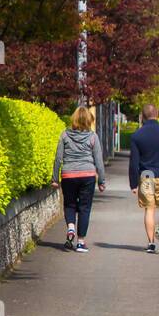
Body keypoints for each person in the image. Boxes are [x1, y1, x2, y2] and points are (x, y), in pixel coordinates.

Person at [51, 106, 106, 252]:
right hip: (87, 175)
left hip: (68, 175)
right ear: (89, 120)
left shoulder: (64, 135)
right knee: (84, 208)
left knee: (69, 204)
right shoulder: (93, 137)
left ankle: (70, 227)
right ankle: (80, 242)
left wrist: (54, 178)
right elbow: (99, 161)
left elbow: (58, 158)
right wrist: (101, 181)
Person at [128, 104, 159, 253]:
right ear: (157, 114)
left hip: (146, 176)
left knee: (149, 210)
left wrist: (133, 184)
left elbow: (134, 163)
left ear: (143, 117)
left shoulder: (137, 135)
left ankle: (151, 244)